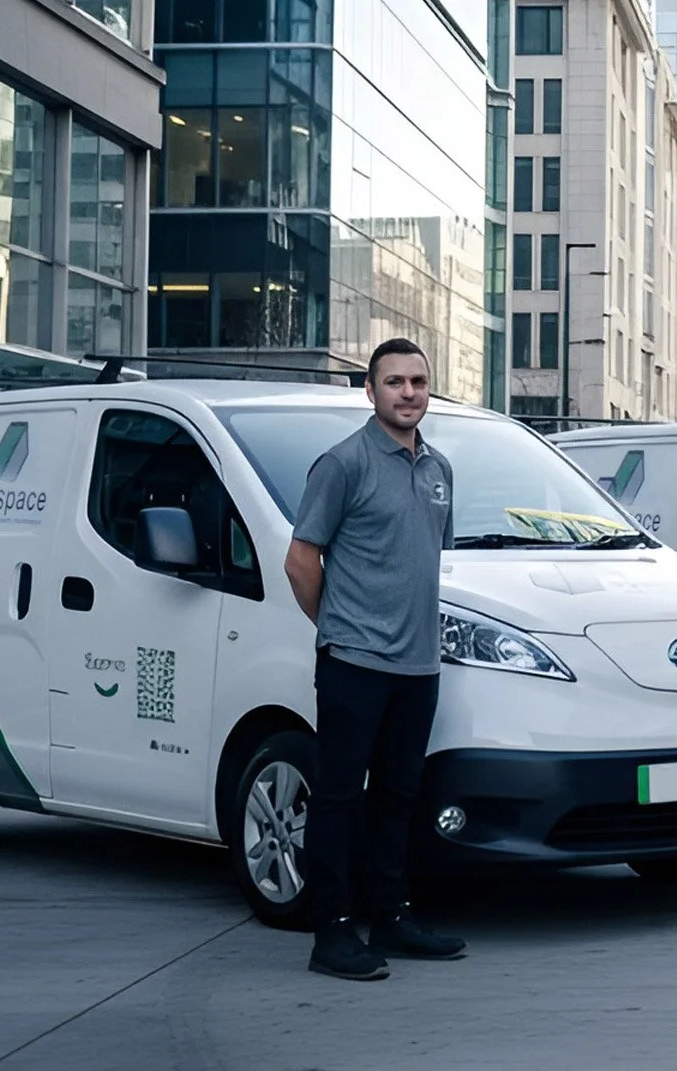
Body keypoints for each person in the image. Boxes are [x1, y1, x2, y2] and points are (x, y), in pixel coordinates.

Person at [284, 338, 469, 980]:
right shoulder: (342, 465)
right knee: (338, 798)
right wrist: (338, 630)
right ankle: (330, 933)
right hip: (355, 663)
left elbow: (425, 561)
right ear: (371, 390)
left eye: (418, 381)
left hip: (418, 666)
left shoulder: (439, 469)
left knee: (398, 797)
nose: (408, 393)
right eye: (395, 382)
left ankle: (391, 916)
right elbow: (300, 560)